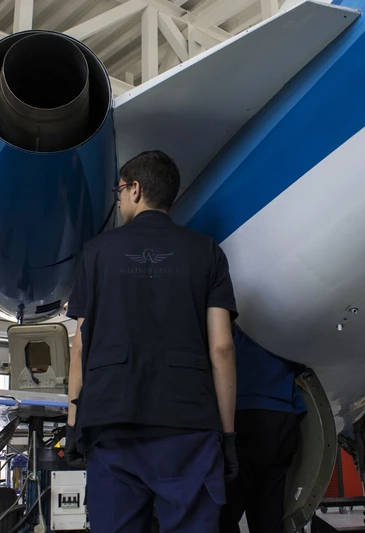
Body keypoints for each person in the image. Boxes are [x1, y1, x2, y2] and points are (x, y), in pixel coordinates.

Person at [64, 150, 240, 533]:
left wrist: (73, 424)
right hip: (189, 424)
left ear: (136, 189)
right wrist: (227, 435)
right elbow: (222, 349)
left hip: (112, 421)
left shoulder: (95, 254)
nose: (118, 198)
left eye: (120, 190)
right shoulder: (207, 252)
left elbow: (80, 345)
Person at [219, 326, 307, 533]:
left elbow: (220, 350)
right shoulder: (285, 318)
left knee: (225, 513)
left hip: (241, 412)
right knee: (268, 513)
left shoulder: (231, 312)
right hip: (282, 416)